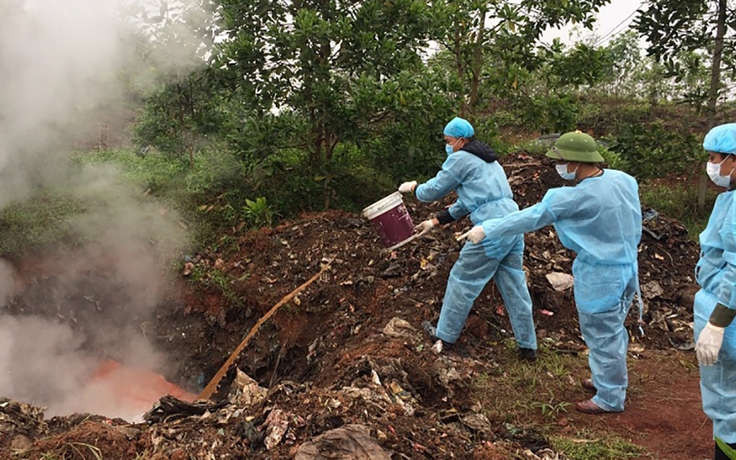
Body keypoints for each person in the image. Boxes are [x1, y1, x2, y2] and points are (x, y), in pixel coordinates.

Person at [459, 130, 642, 414]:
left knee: (601, 332)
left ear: (575, 162)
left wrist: (487, 228)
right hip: (628, 267)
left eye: (562, 160)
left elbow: (530, 217)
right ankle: (604, 379)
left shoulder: (569, 198)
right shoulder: (624, 180)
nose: (559, 167)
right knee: (612, 327)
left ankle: (610, 397)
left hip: (600, 273)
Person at [398, 117, 538, 361]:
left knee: (462, 281)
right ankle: (528, 347)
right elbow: (470, 201)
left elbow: (433, 191)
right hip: (512, 224)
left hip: (490, 228)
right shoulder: (489, 161)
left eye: (448, 141)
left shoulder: (460, 158)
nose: (447, 145)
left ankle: (445, 337)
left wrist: (413, 188)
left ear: (461, 140)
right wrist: (435, 221)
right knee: (515, 286)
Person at [693, 123, 736, 460]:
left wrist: (718, 322)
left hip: (727, 312)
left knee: (725, 402)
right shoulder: (729, 199)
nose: (711, 166)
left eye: (714, 158)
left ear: (733, 161)